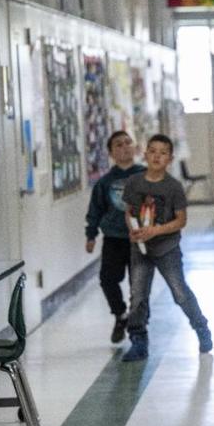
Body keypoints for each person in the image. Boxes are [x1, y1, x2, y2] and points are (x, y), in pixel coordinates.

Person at [120, 134, 213, 362]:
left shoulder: (173, 187)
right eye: (152, 151)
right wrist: (133, 230)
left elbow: (181, 220)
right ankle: (138, 340)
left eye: (162, 153)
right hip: (139, 250)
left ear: (170, 159)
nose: (156, 156)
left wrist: (155, 231)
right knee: (138, 295)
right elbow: (129, 211)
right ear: (145, 154)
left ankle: (201, 326)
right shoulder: (134, 183)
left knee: (180, 292)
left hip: (167, 249)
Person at [84, 131, 145, 343]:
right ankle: (120, 315)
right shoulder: (105, 183)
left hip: (140, 239)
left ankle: (138, 327)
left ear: (134, 147)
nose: (124, 147)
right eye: (119, 144)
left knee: (138, 285)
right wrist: (91, 235)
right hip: (114, 238)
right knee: (108, 279)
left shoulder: (145, 175)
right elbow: (96, 210)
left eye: (128, 142)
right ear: (111, 152)